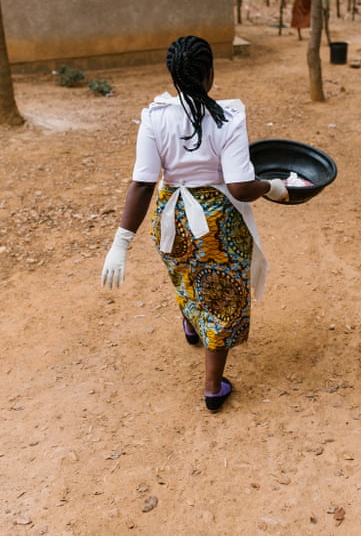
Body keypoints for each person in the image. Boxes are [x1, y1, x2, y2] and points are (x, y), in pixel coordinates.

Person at [101, 35, 288, 412]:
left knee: (187, 274)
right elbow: (239, 185)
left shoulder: (154, 117)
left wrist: (121, 242)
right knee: (220, 297)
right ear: (210, 75)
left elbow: (142, 183)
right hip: (217, 224)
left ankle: (191, 324)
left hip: (172, 218)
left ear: (173, 76)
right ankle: (212, 387)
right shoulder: (229, 117)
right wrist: (274, 188)